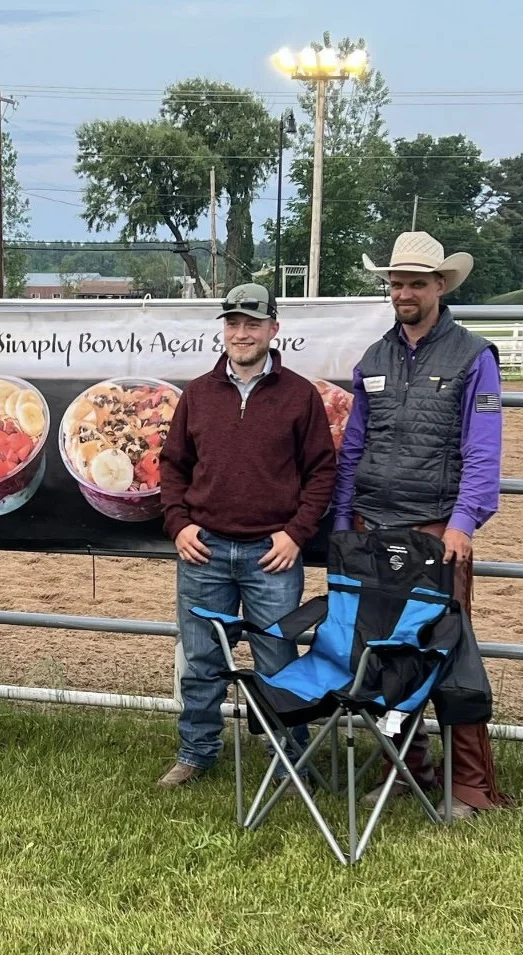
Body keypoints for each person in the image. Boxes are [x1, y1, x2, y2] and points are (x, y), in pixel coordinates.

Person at [335, 230, 507, 820]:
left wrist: (464, 522)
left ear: (440, 286)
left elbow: (483, 449)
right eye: (395, 283)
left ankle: (472, 786)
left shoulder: (473, 356)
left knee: (450, 650)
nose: (403, 292)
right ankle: (407, 766)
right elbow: (354, 445)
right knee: (386, 653)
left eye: (415, 283)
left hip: (437, 529)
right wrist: (342, 521)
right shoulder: (374, 359)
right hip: (373, 523)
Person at [158, 283, 338, 788]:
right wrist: (179, 523)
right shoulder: (197, 393)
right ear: (224, 329)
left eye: (252, 324)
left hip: (271, 554)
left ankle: (289, 757)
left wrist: (297, 534)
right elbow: (172, 467)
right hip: (204, 549)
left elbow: (323, 471)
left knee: (277, 659)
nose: (241, 333)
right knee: (200, 658)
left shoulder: (301, 395)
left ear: (273, 330)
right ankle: (197, 751)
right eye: (233, 323)